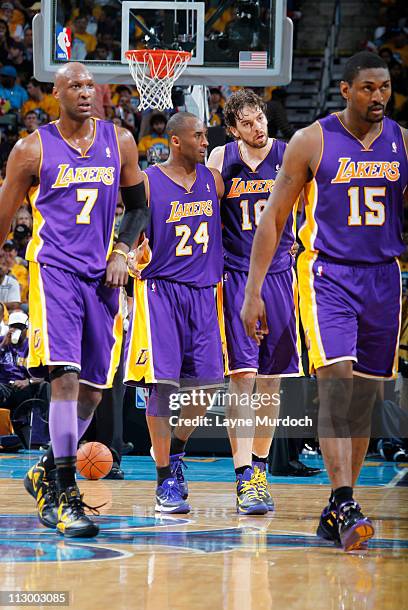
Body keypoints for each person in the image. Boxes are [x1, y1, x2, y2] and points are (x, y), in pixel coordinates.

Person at [241, 51, 407, 551]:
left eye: (385, 88)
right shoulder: (313, 140)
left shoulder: (402, 143)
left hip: (384, 276)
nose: (378, 96)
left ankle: (340, 505)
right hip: (326, 274)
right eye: (368, 88)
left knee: (364, 399)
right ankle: (343, 497)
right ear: (345, 90)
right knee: (335, 383)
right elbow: (272, 218)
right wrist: (253, 293)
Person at [0, 62, 148, 537]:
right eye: (75, 86)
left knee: (94, 389)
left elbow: (140, 206)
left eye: (91, 86)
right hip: (55, 273)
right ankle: (64, 492)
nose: (86, 93)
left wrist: (123, 250)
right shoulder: (31, 149)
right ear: (55, 94)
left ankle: (45, 469)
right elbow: (4, 216)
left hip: (103, 277)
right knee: (64, 375)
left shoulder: (120, 141)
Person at [207, 89, 303, 515]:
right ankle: (244, 474)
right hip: (236, 275)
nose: (257, 126)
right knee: (242, 377)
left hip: (281, 274)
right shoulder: (219, 160)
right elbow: (199, 211)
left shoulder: (289, 152)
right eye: (246, 122)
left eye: (259, 117)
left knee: (272, 380)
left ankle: (261, 469)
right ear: (232, 129)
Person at [125, 111, 224, 514]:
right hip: (160, 293)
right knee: (162, 387)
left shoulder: (214, 181)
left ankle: (175, 449)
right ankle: (165, 478)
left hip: (204, 292)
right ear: (176, 141)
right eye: (199, 135)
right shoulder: (148, 182)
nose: (205, 141)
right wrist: (131, 254)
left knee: (206, 388)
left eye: (206, 135)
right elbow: (131, 228)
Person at [0, 310, 49, 448]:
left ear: (26, 329)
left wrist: (28, 381)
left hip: (25, 387)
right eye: (13, 327)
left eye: (20, 327)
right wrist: (3, 344)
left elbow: (43, 374)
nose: (16, 330)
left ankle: (40, 439)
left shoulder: (32, 347)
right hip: (3, 386)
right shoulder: (2, 342)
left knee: (44, 387)